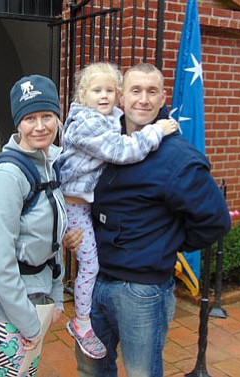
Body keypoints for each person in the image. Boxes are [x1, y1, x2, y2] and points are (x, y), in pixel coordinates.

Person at [74, 63, 231, 377]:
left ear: (163, 100)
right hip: (94, 283)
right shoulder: (105, 141)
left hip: (141, 292)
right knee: (91, 371)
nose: (142, 100)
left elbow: (215, 220)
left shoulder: (177, 157)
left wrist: (166, 243)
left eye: (152, 92)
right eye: (135, 91)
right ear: (121, 97)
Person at [59, 62, 178, 360]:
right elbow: (122, 151)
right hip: (74, 205)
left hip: (87, 208)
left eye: (109, 90)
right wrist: (157, 130)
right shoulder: (87, 123)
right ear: (82, 95)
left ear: (118, 95)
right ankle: (82, 322)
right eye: (96, 90)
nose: (104, 96)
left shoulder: (111, 117)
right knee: (90, 266)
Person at [0, 74, 67, 376]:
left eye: (47, 116)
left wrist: (55, 295)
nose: (40, 126)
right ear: (18, 124)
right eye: (30, 118)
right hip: (7, 313)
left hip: (35, 303)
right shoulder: (6, 176)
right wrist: (29, 321)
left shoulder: (51, 165)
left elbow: (55, 238)